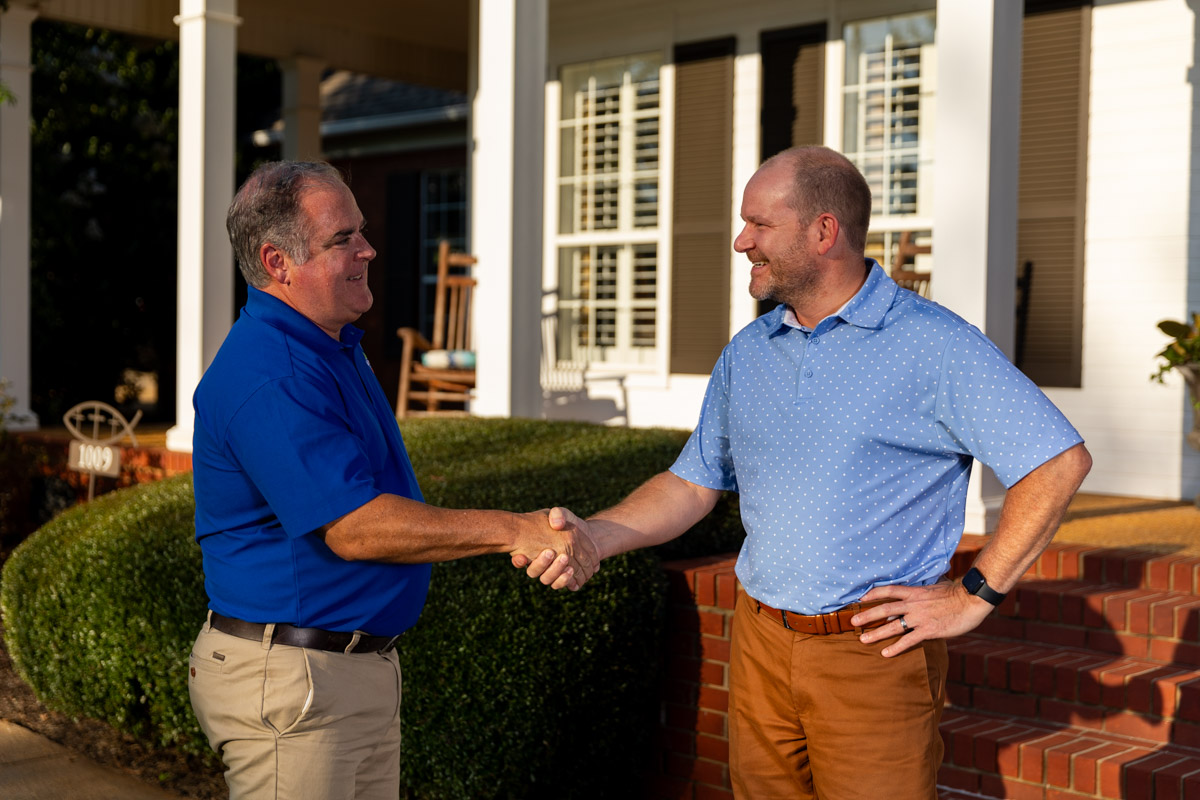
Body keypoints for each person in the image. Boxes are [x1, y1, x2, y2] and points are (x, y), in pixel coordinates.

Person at [519, 146, 1092, 799]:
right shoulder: (750, 352)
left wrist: (975, 594)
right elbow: (692, 481)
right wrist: (597, 534)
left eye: (759, 224)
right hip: (761, 641)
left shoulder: (933, 343)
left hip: (872, 654)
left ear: (824, 231)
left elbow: (1056, 461)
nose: (742, 241)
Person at [187, 160, 597, 800]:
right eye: (342, 239)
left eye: (362, 230)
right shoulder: (271, 372)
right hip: (297, 683)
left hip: (341, 673)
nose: (368, 249)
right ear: (278, 261)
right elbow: (355, 527)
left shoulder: (328, 347)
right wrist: (516, 531)